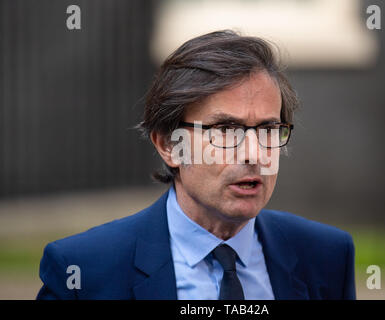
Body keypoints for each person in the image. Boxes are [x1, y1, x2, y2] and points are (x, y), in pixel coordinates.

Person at [37, 30, 355, 300]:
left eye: (268, 130)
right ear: (169, 145)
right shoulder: (84, 270)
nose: (255, 154)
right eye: (226, 130)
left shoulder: (327, 257)